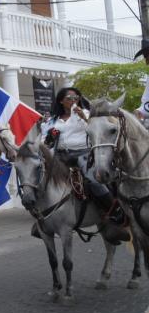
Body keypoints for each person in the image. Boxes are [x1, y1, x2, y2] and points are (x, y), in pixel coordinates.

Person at [42, 87, 129, 243]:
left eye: (76, 97)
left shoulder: (87, 114)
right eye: (69, 98)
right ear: (61, 101)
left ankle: (115, 213)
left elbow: (98, 129)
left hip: (82, 154)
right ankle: (41, 219)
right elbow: (45, 143)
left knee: (95, 181)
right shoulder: (52, 121)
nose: (73, 101)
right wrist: (49, 137)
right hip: (60, 156)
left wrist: (84, 117)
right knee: (41, 179)